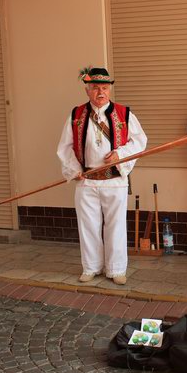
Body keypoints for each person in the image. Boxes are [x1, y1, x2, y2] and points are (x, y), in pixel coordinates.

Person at [57, 67, 147, 285]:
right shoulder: (76, 114)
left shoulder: (124, 114)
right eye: (95, 88)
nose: (100, 92)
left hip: (115, 181)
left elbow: (140, 141)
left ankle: (116, 269)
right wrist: (73, 168)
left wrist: (120, 154)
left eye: (105, 88)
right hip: (86, 180)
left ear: (110, 90)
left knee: (115, 226)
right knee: (88, 226)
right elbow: (65, 147)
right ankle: (91, 267)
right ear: (87, 90)